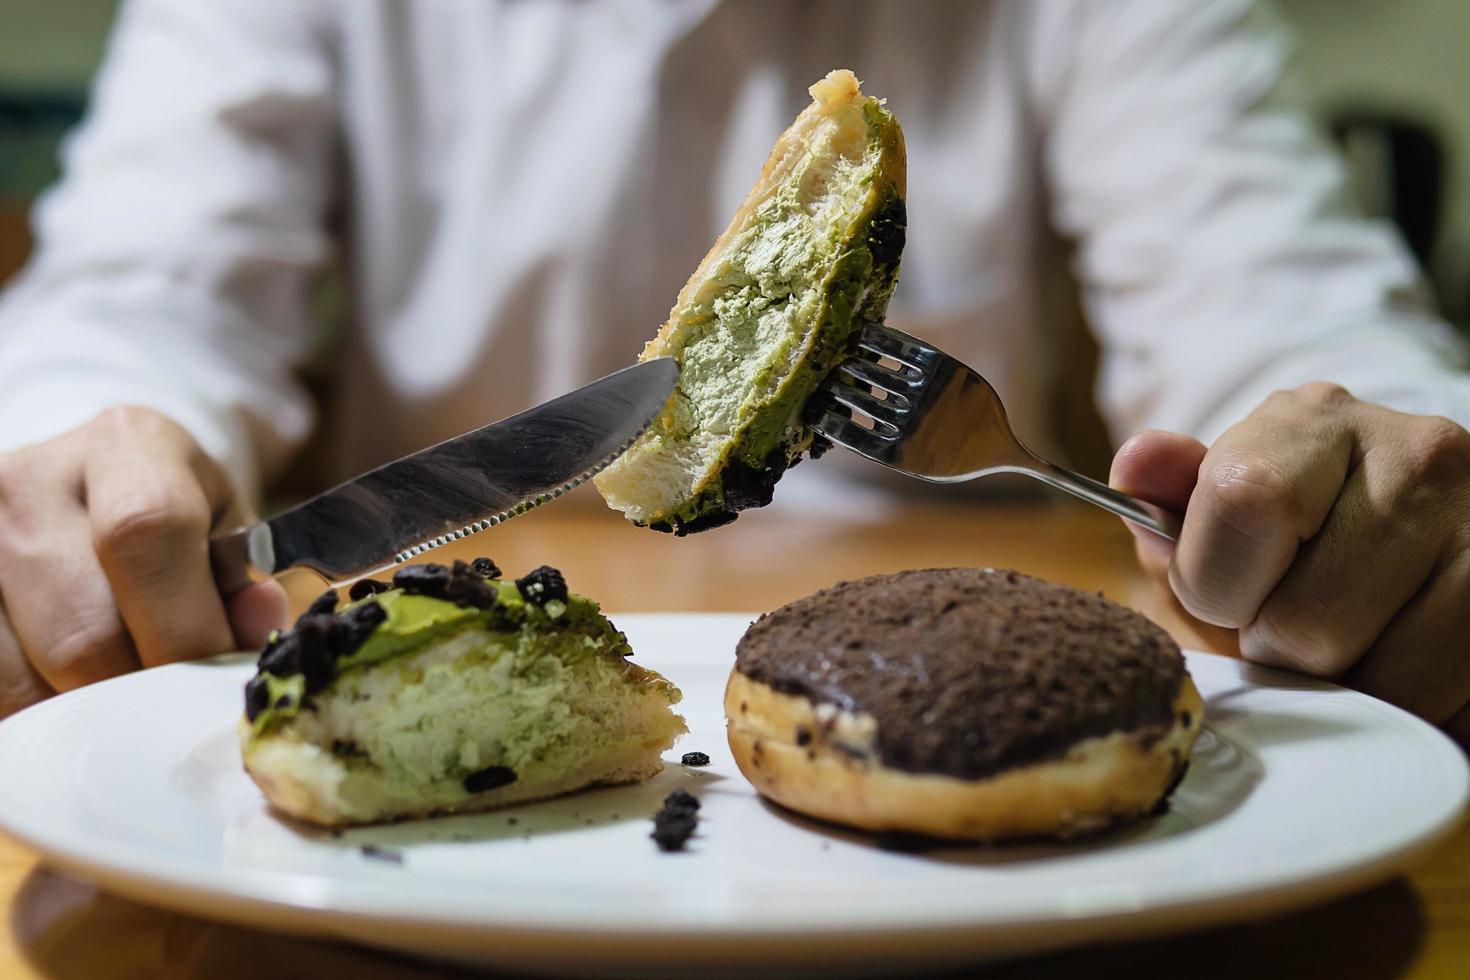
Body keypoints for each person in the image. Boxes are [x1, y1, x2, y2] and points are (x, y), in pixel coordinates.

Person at [0, 0, 1467, 731]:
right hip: (451, 654)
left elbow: (1282, 297)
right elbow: (142, 289)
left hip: (972, 677)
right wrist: (88, 465)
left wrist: (1365, 488)